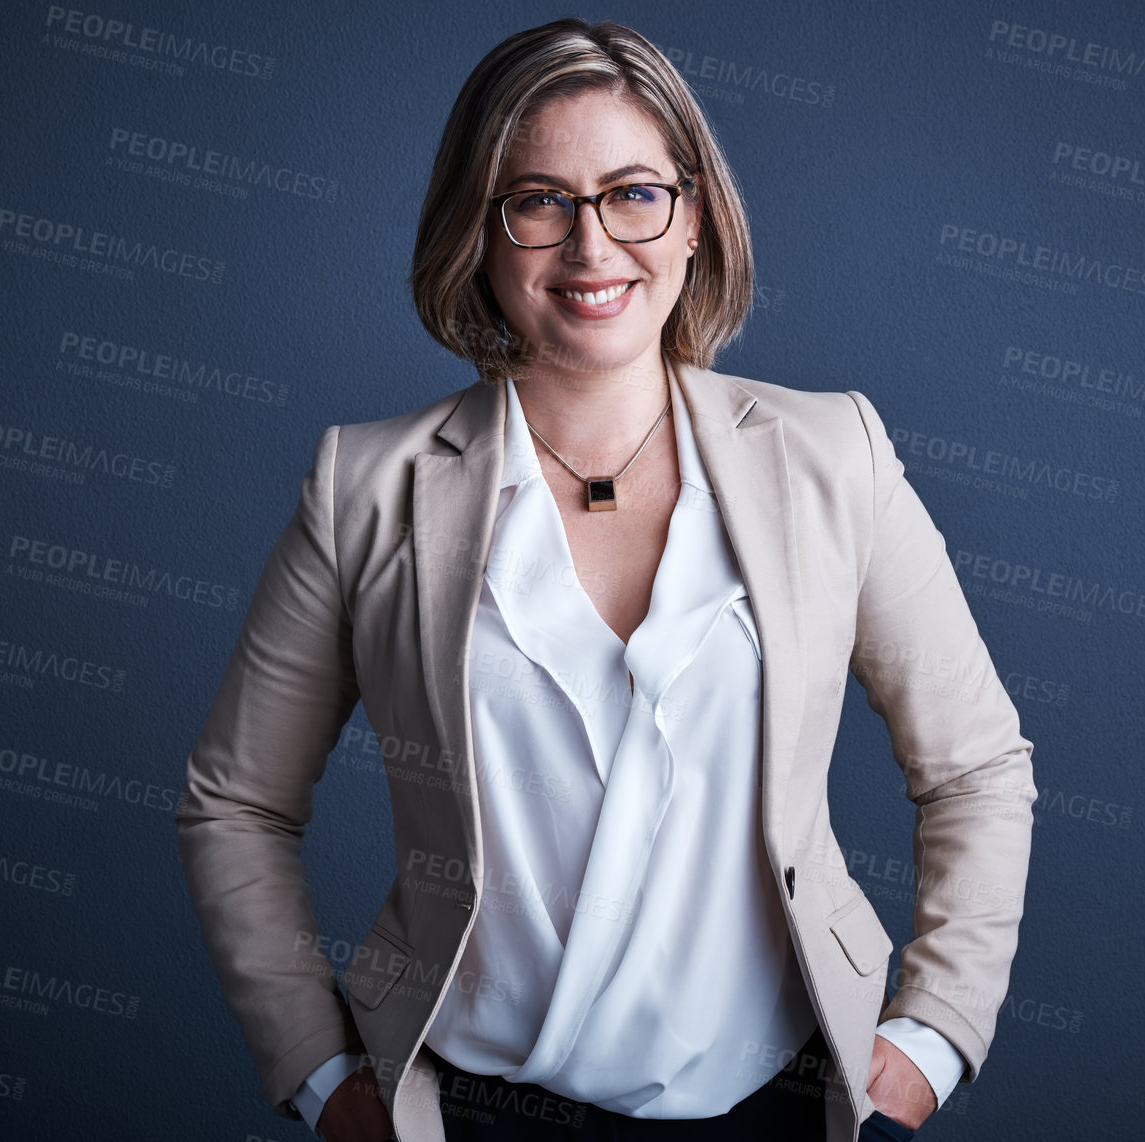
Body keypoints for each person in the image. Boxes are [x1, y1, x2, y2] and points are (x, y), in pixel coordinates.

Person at [176, 17, 1036, 1142]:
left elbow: (975, 765)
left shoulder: (833, 456)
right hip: (466, 1113)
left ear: (693, 220)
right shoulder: (366, 486)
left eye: (633, 193)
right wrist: (321, 1074)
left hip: (766, 1109)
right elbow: (234, 802)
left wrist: (926, 1037)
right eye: (538, 200)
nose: (591, 247)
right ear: (477, 236)